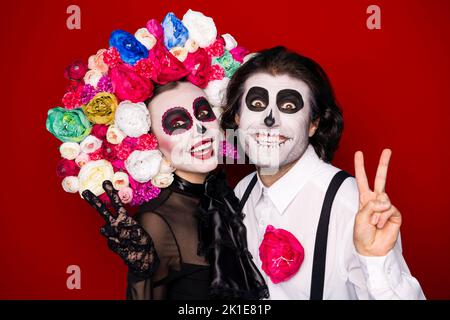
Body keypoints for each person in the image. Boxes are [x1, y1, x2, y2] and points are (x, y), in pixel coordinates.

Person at [220, 46, 425, 299]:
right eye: (257, 103)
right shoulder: (242, 191)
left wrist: (376, 263)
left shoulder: (349, 204)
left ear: (313, 124)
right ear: (238, 117)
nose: (270, 119)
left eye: (288, 105)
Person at [82, 81, 268, 300]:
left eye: (204, 113)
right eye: (178, 124)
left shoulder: (233, 193)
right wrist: (141, 273)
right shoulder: (157, 221)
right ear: (151, 143)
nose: (200, 129)